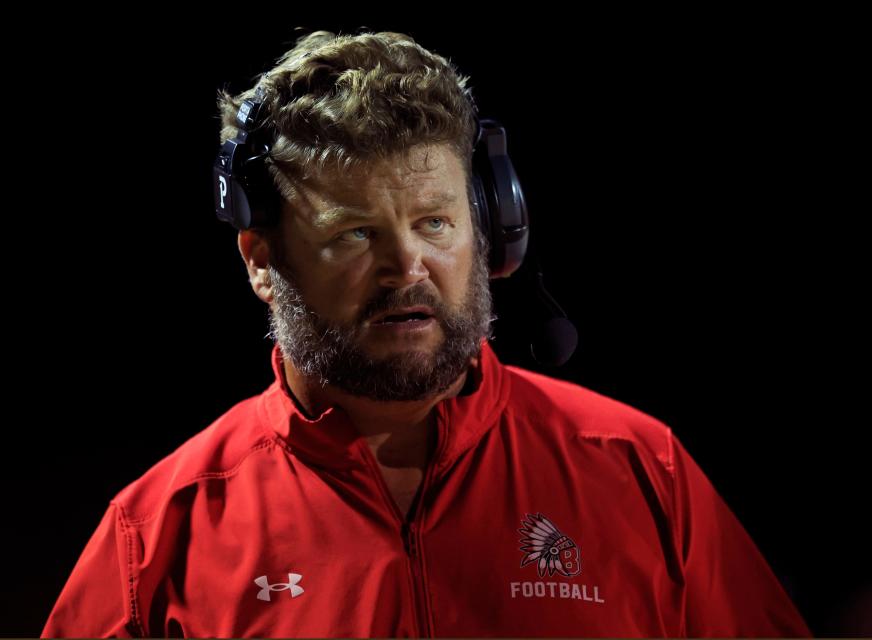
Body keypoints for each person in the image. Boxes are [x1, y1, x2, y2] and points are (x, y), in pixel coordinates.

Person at [42, 30, 812, 638]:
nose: (407, 266)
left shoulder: (646, 475)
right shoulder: (158, 533)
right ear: (264, 262)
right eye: (353, 234)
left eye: (435, 222)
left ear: (495, 230)